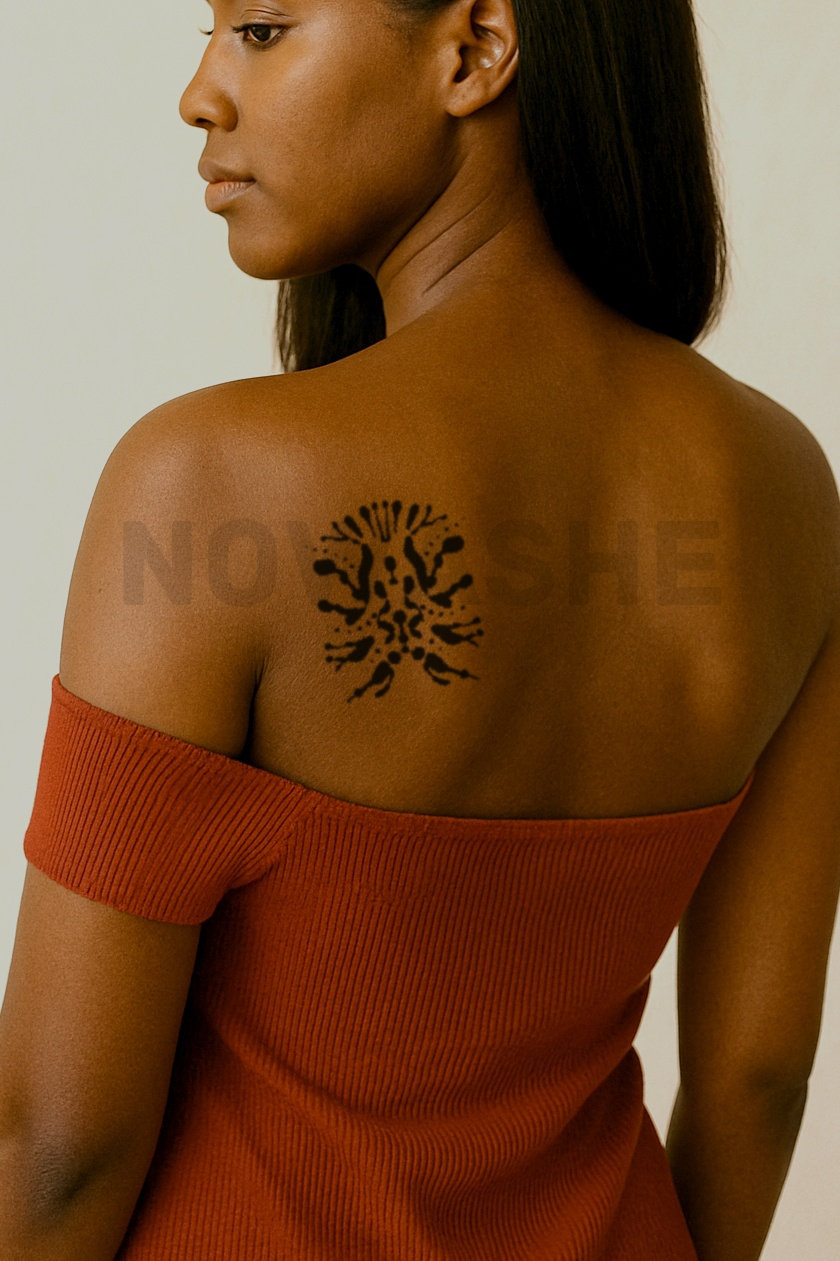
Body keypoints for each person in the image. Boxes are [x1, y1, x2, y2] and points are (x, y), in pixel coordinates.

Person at [0, 0, 837, 1257]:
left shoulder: (211, 483)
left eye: (263, 29)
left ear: (477, 49)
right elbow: (757, 1081)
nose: (200, 95)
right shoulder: (786, 492)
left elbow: (58, 1150)